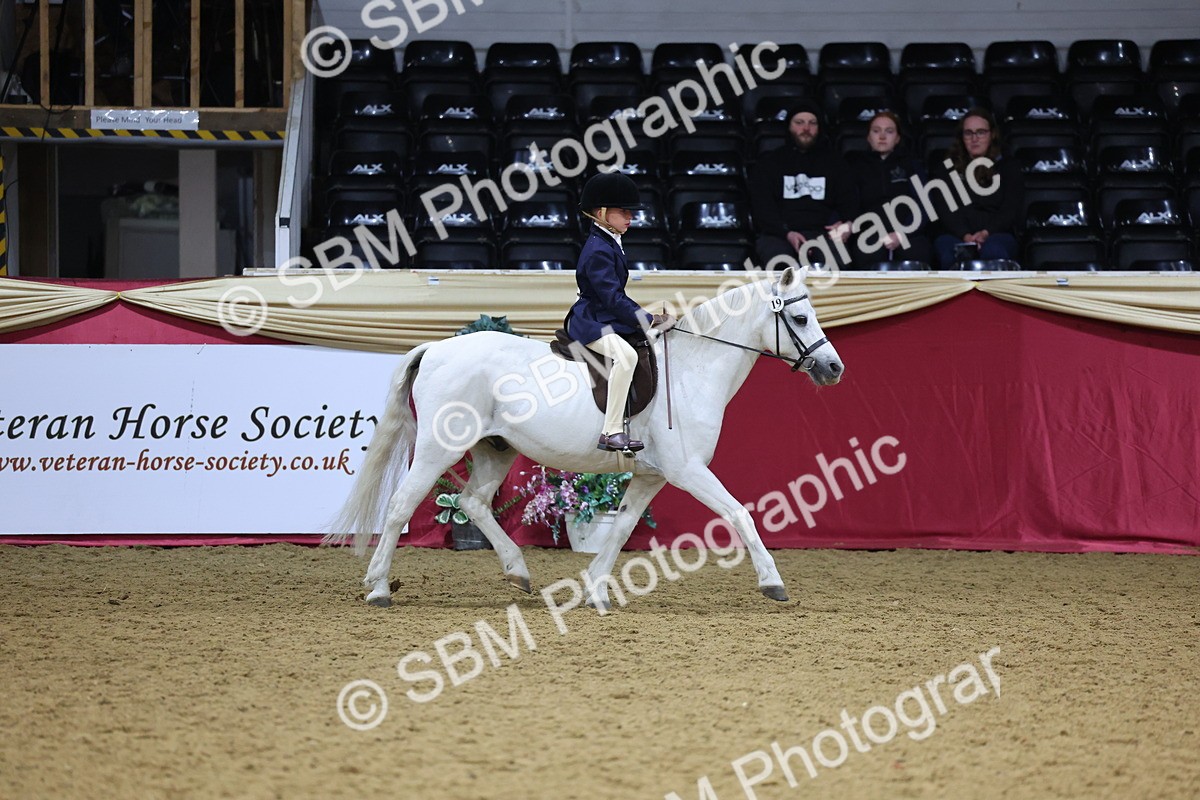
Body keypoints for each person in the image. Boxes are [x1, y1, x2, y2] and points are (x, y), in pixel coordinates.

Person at [566, 173, 674, 453]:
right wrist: (647, 319)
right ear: (601, 212)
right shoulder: (599, 249)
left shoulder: (609, 240)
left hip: (604, 316)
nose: (630, 217)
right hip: (590, 321)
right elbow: (613, 298)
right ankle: (611, 430)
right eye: (623, 211)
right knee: (625, 357)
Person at [749, 99, 857, 266]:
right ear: (789, 127)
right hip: (779, 234)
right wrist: (786, 233)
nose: (806, 128)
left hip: (823, 234)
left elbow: (850, 199)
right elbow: (762, 209)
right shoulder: (769, 163)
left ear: (819, 128)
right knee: (781, 266)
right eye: (799, 122)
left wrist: (847, 223)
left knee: (838, 263)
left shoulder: (835, 162)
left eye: (812, 123)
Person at [932, 108, 1024, 268]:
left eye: (981, 132)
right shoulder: (946, 168)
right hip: (956, 234)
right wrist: (966, 236)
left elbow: (1010, 209)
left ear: (991, 135)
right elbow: (944, 209)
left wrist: (985, 234)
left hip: (997, 234)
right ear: (962, 138)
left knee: (994, 251)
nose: (974, 139)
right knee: (954, 253)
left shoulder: (1008, 167)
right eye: (968, 133)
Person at [848, 111, 932, 266]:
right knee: (865, 254)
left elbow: (924, 205)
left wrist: (903, 233)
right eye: (876, 131)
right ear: (868, 137)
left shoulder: (911, 165)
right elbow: (851, 205)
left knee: (918, 253)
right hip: (870, 232)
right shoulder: (856, 167)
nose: (882, 136)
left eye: (889, 131)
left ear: (897, 138)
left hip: (909, 231)